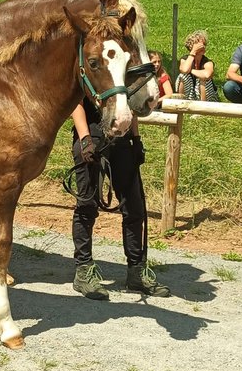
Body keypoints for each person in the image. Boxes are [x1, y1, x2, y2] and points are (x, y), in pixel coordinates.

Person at [69, 96, 170, 300]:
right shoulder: (89, 63)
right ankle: (83, 271)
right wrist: (85, 139)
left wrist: (136, 137)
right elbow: (75, 101)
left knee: (135, 207)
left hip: (123, 140)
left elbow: (129, 102)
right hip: (91, 133)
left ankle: (136, 271)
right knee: (87, 206)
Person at [176, 30, 219, 101]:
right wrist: (193, 52)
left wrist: (191, 70)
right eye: (200, 44)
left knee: (202, 79)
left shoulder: (207, 62)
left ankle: (203, 107)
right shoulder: (184, 59)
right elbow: (184, 70)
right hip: (190, 94)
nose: (203, 46)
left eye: (204, 44)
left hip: (208, 97)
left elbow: (207, 75)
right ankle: (181, 102)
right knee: (183, 76)